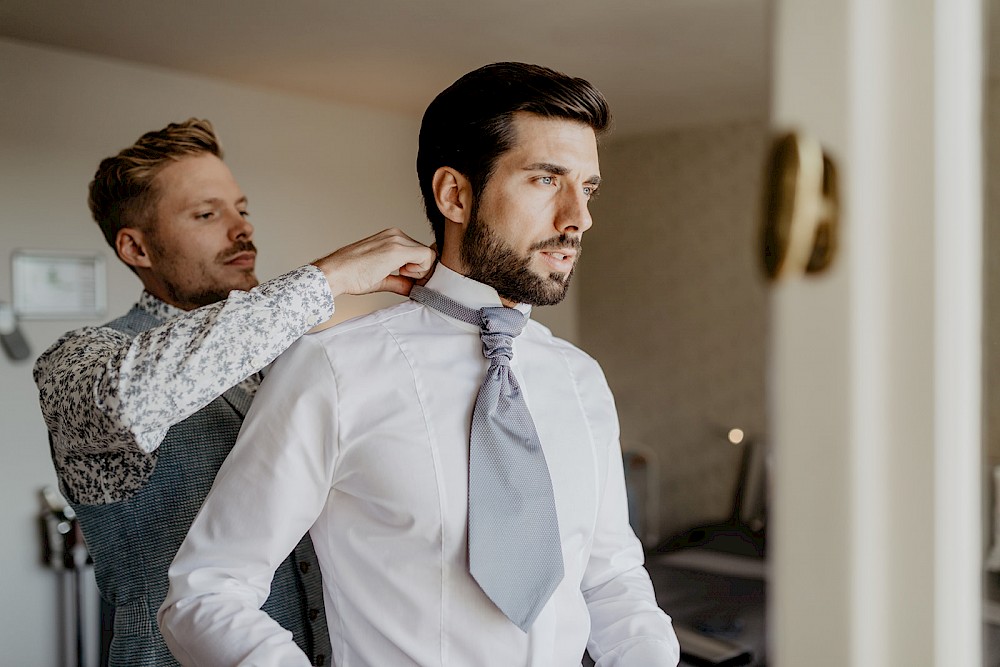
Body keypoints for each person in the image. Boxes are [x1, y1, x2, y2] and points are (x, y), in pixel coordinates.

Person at [159, 63, 680, 666]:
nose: (578, 218)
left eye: (587, 188)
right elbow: (207, 592)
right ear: (455, 195)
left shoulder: (580, 378)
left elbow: (612, 580)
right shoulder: (331, 369)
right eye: (545, 180)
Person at [33, 118, 435, 667]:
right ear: (136, 247)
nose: (241, 229)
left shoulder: (296, 359)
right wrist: (330, 277)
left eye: (241, 209)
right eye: (206, 214)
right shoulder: (79, 366)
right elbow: (131, 401)